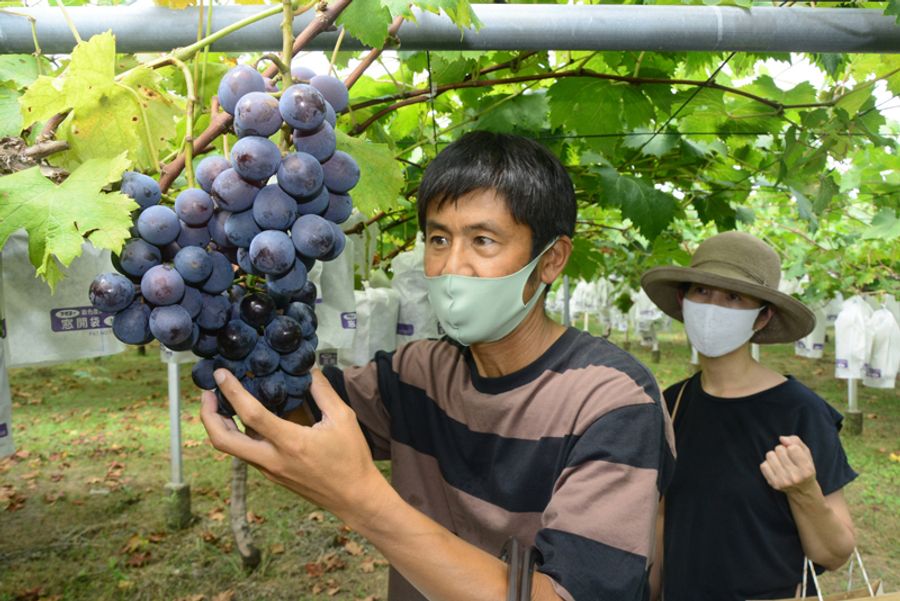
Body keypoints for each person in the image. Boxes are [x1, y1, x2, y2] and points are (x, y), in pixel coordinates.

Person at [200, 131, 675, 601]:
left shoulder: (615, 401)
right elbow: (302, 419)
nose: (452, 266)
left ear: (551, 260)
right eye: (439, 239)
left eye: (483, 241)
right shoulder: (418, 372)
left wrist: (362, 500)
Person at [640, 231, 857, 601]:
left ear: (762, 317)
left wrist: (804, 491)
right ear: (683, 300)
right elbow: (662, 523)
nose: (712, 307)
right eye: (702, 292)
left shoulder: (801, 413)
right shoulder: (672, 405)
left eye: (733, 297)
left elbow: (834, 554)